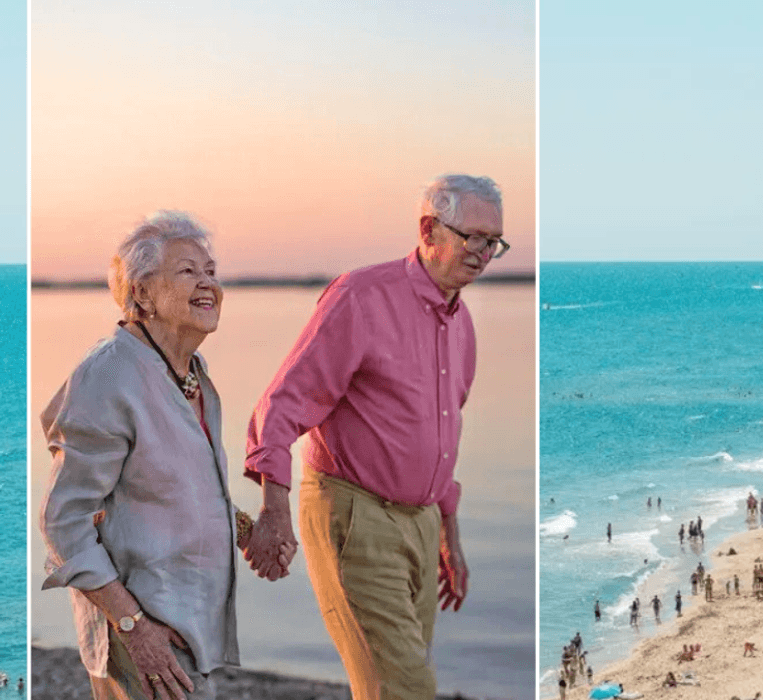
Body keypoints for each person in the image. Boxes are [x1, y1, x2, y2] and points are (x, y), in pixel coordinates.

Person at [244, 175, 506, 700]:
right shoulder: (361, 297)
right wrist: (274, 507)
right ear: (429, 229)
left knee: (393, 684)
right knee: (404, 688)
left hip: (423, 523)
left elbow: (445, 432)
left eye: (493, 242)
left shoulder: (462, 324)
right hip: (355, 513)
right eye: (472, 237)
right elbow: (284, 402)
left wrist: (448, 533)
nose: (483, 253)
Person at [40, 212, 290, 700]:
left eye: (212, 271)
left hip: (187, 621)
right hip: (142, 626)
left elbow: (176, 486)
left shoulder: (190, 371)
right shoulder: (110, 377)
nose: (208, 284)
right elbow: (62, 522)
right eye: (188, 271)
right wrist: (134, 626)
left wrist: (247, 532)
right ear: (143, 294)